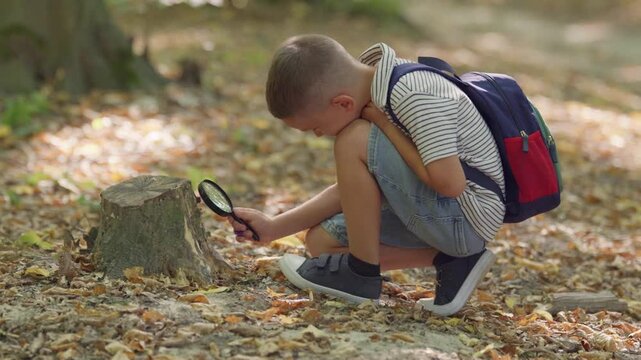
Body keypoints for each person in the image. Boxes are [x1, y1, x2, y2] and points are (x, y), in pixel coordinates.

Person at [227, 34, 505, 316]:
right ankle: (453, 260)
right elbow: (351, 191)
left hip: (466, 216)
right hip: (448, 219)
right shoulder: (376, 92)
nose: (320, 134)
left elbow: (451, 183)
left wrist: (387, 127)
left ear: (343, 103)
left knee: (351, 139)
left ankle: (360, 275)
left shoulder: (413, 94)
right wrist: (274, 227)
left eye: (315, 128)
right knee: (322, 244)